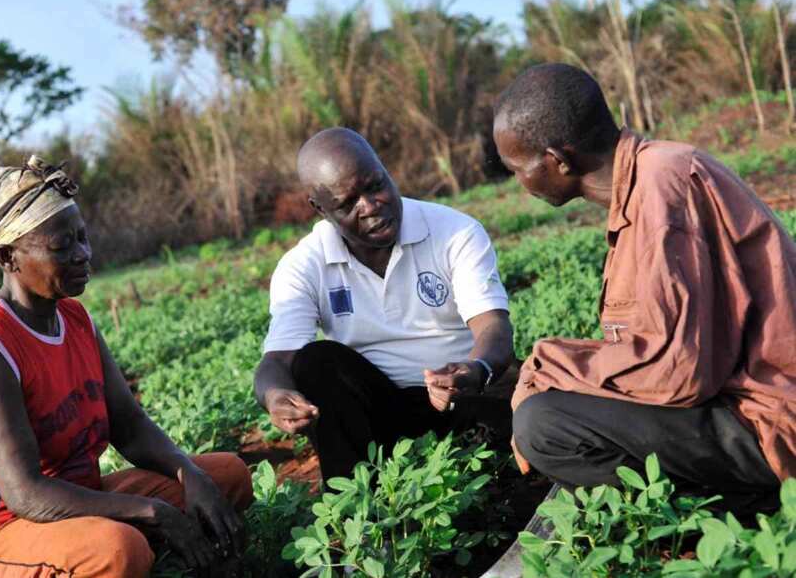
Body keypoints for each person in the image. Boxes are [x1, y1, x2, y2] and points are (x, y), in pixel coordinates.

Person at [493, 63, 796, 498]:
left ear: (559, 161)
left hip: (767, 418)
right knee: (552, 406)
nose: (518, 182)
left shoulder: (663, 185)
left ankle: (727, 519)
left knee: (543, 425)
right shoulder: (644, 182)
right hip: (735, 400)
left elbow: (679, 373)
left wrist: (550, 363)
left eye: (517, 167)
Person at [0, 156, 253, 578]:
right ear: (9, 257)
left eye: (82, 237)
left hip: (80, 498)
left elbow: (128, 424)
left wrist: (187, 471)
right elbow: (26, 493)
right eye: (61, 246)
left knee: (224, 478)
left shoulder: (75, 319)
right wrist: (151, 512)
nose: (82, 254)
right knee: (118, 550)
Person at [253, 127, 516, 483]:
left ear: (385, 171)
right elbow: (277, 362)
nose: (371, 206)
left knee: (520, 416)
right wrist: (276, 395)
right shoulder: (304, 264)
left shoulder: (454, 232)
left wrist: (475, 368)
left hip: (459, 397)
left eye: (375, 185)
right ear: (320, 210)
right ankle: (358, 505)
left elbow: (493, 327)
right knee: (316, 362)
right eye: (348, 203)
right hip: (375, 417)